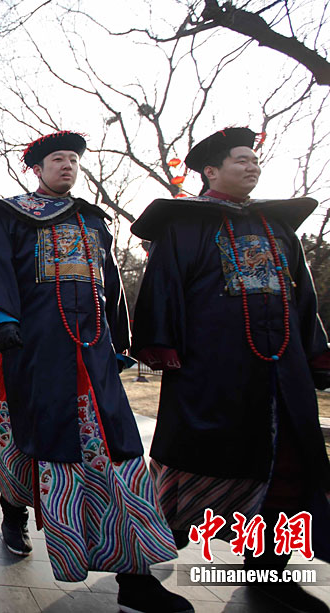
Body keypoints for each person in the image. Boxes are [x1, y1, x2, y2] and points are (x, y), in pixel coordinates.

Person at [0, 130, 191, 613]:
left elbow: (109, 285)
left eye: (73, 160)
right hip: (33, 357)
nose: (67, 166)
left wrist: (119, 341)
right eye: (57, 160)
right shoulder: (10, 217)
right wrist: (0, 321)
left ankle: (135, 578)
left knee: (116, 458)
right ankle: (13, 513)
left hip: (93, 359)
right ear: (36, 168)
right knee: (25, 444)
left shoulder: (93, 220)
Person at [131, 127, 330, 613]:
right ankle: (136, 578)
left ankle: (268, 574)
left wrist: (316, 353)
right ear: (211, 172)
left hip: (281, 378)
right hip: (212, 375)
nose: (252, 165)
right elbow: (162, 287)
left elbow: (302, 297)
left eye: (255, 159)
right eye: (241, 159)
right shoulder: (185, 226)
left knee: (285, 472)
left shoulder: (278, 228)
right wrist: (161, 345)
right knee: (191, 474)